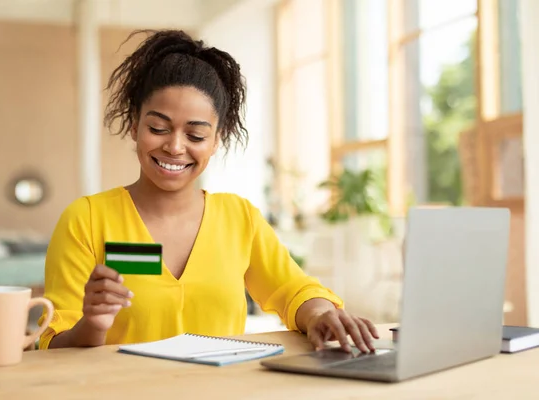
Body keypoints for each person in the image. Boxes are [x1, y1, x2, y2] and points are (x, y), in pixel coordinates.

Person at [38, 29, 379, 353]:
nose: (174, 147)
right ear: (134, 125)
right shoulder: (87, 219)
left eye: (196, 135)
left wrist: (320, 314)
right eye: (158, 128)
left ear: (216, 140)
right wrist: (92, 325)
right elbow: (51, 341)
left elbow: (292, 290)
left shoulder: (238, 217)